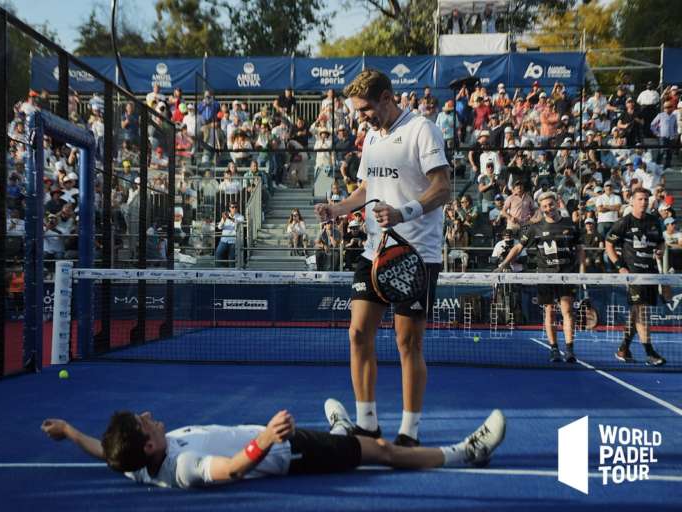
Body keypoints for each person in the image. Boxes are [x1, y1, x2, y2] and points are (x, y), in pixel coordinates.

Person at [314, 69, 451, 447]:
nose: (362, 117)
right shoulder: (372, 137)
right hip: (374, 251)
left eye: (366, 109)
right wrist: (337, 208)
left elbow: (443, 188)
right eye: (358, 111)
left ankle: (409, 433)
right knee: (358, 334)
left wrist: (403, 212)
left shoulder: (423, 130)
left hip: (415, 253)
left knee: (408, 343)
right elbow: (366, 188)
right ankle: (367, 425)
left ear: (387, 98)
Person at [41, 399, 506, 490]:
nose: (147, 415)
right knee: (380, 450)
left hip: (284, 443)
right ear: (148, 446)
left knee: (347, 440)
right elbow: (230, 470)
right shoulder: (181, 468)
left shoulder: (133, 463)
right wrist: (265, 438)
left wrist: (71, 433)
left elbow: (108, 455)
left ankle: (341, 430)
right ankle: (465, 453)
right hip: (290, 451)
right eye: (142, 423)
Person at [497, 191, 585, 363]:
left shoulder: (571, 225)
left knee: (567, 310)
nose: (548, 208)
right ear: (541, 208)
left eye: (551, 204)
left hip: (567, 274)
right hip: (545, 275)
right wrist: (503, 264)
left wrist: (582, 271)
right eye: (544, 206)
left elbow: (580, 250)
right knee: (549, 311)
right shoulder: (535, 227)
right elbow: (518, 247)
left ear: (557, 204)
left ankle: (569, 350)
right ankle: (554, 349)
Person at [605, 188, 667, 366]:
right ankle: (650, 352)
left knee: (636, 312)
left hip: (651, 274)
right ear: (632, 201)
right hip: (633, 275)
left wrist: (660, 251)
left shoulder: (654, 221)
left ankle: (623, 348)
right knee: (642, 311)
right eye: (640, 199)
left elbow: (661, 242)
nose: (644, 202)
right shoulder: (624, 222)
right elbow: (608, 244)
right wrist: (620, 267)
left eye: (646, 199)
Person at [215, 203, 244, 267]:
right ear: (230, 208)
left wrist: (229, 218)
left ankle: (232, 271)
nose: (234, 209)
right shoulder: (225, 216)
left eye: (236, 207)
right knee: (218, 254)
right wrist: (223, 219)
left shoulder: (240, 217)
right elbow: (219, 227)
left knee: (232, 259)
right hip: (224, 240)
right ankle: (220, 270)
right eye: (233, 207)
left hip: (233, 241)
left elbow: (238, 223)